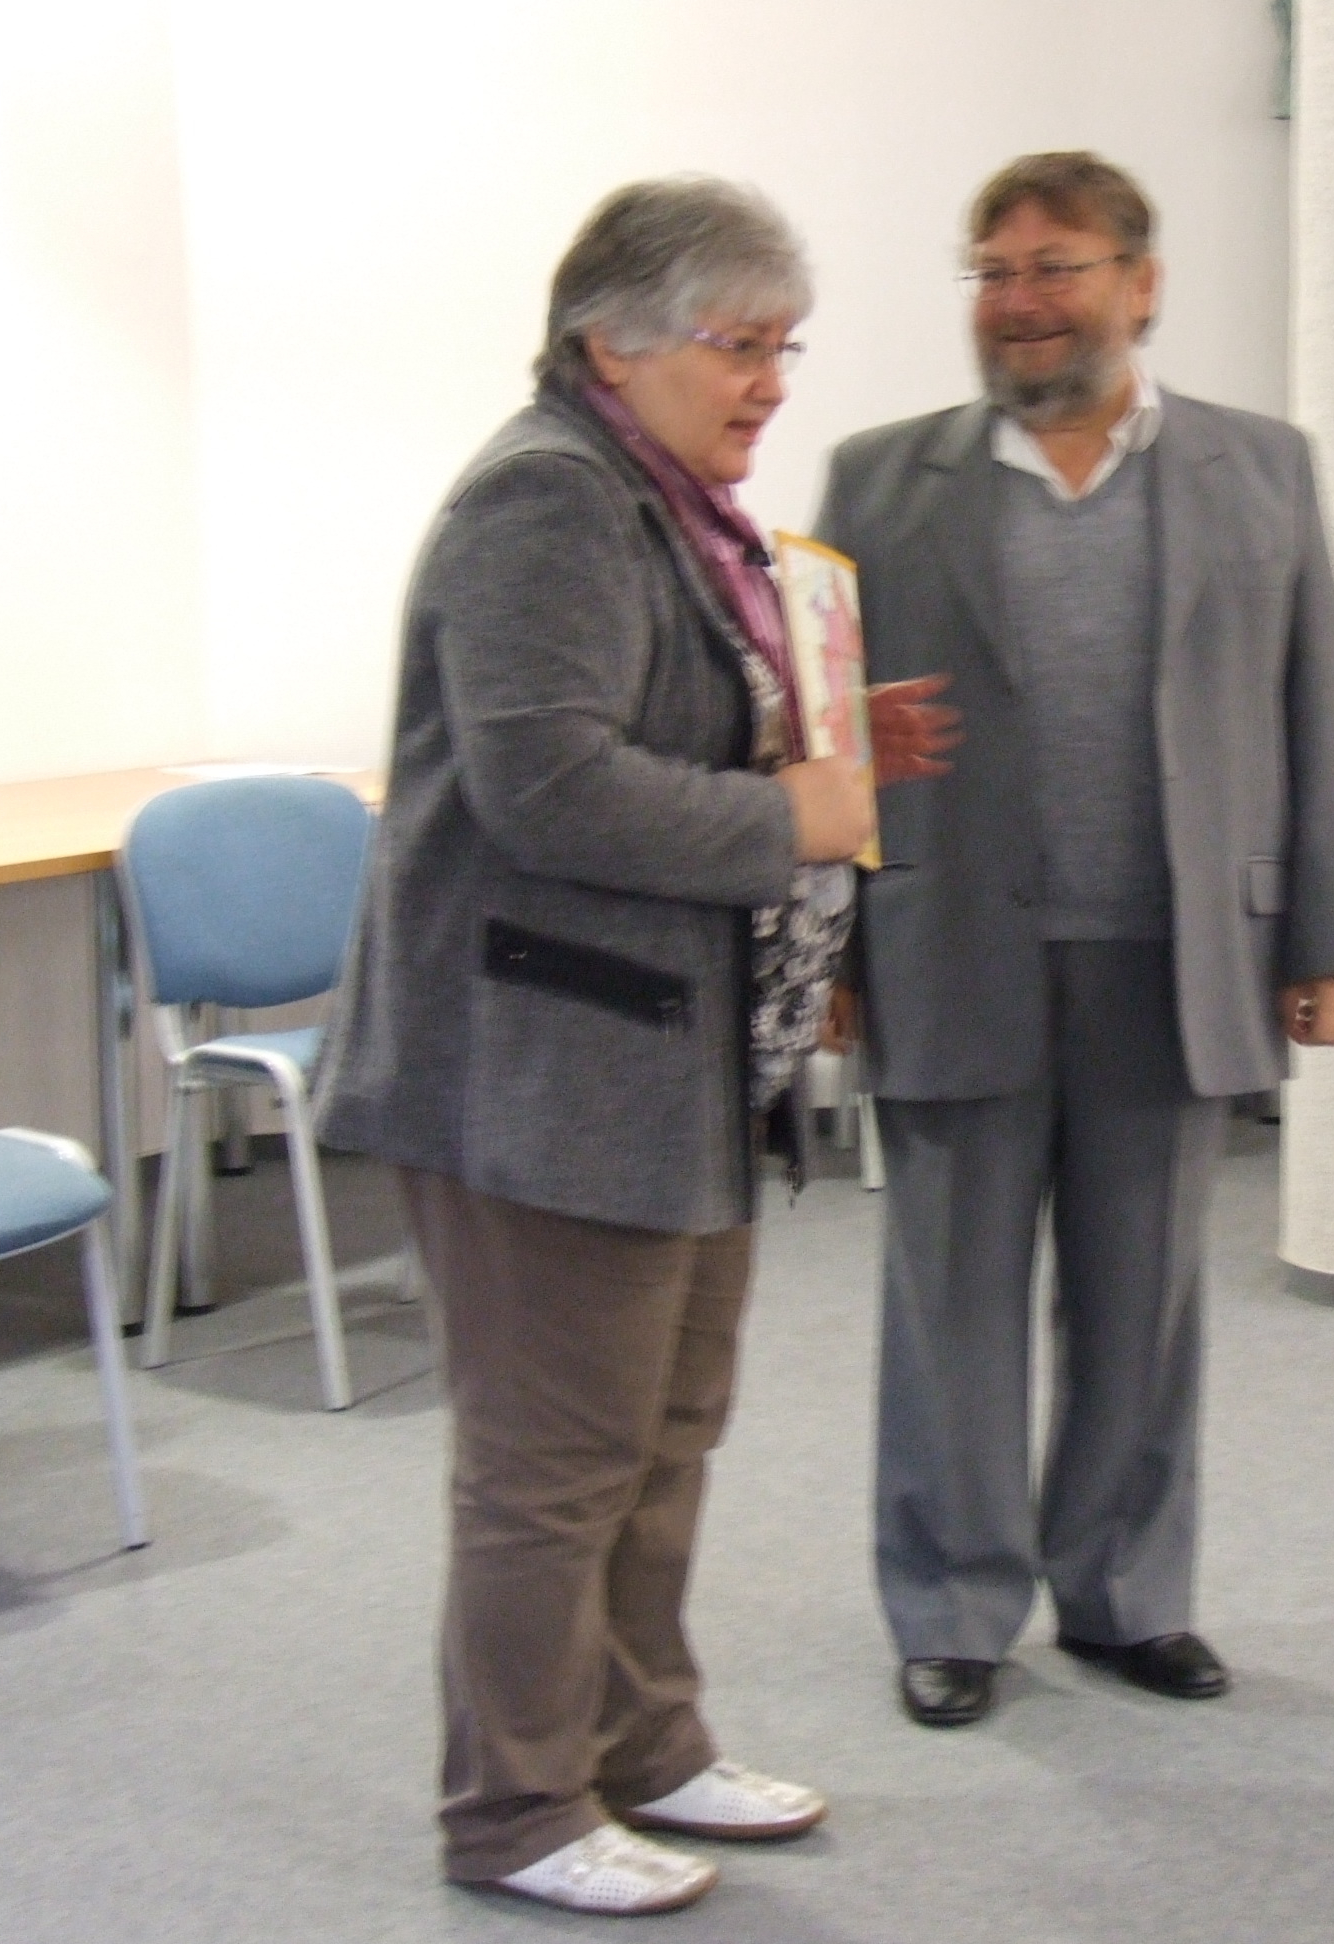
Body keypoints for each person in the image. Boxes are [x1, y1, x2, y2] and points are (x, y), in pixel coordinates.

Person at [315, 178, 942, 1917]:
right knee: (553, 1469)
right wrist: (791, 813)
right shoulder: (546, 499)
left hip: (672, 1061)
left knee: (663, 1437)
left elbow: (658, 725)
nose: (771, 386)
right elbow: (550, 786)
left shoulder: (670, 507)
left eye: (784, 348)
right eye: (740, 347)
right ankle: (515, 1814)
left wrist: (826, 741)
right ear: (613, 342)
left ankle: (645, 1746)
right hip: (543, 1071)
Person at [816, 151, 1334, 1729]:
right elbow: (825, 737)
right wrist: (829, 949)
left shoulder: (1263, 469)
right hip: (949, 947)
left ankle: (1127, 1597)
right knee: (951, 1310)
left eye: (1055, 267)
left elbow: (1319, 707)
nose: (1020, 303)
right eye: (993, 272)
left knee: (1145, 1310)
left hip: (1173, 958)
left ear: (1142, 283)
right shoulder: (878, 479)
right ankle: (952, 1607)